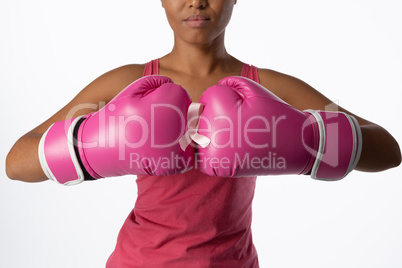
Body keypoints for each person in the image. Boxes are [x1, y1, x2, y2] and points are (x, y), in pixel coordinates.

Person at [5, 0, 401, 267]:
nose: (196, 1)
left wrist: (308, 141)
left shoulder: (267, 87)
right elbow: (16, 161)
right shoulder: (127, 83)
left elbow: (388, 149)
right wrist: (88, 145)